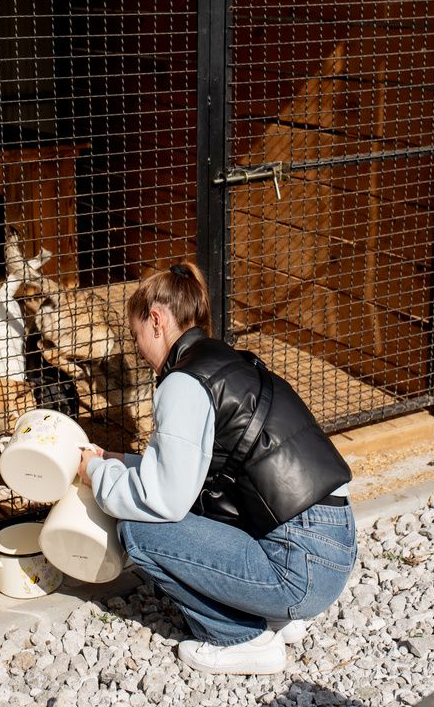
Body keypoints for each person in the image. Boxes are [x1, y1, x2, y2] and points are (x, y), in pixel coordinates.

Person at [77, 262, 356, 675]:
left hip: (300, 566)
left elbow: (163, 501)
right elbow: (194, 469)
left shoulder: (182, 383)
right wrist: (119, 461)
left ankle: (243, 638)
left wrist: (95, 475)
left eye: (137, 336)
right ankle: (277, 614)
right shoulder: (227, 361)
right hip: (332, 545)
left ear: (156, 321)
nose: (137, 349)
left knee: (139, 530)